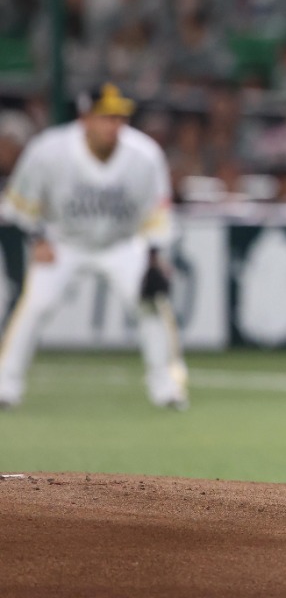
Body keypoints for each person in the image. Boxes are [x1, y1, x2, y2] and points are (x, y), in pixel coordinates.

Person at [0, 83, 189, 410]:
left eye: (119, 118)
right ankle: (5, 386)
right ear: (85, 118)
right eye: (106, 118)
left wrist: (153, 257)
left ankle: (168, 388)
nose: (113, 126)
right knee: (34, 306)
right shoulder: (49, 150)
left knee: (151, 306)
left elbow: (156, 213)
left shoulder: (144, 155)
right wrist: (39, 238)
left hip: (121, 244)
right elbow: (20, 202)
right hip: (64, 242)